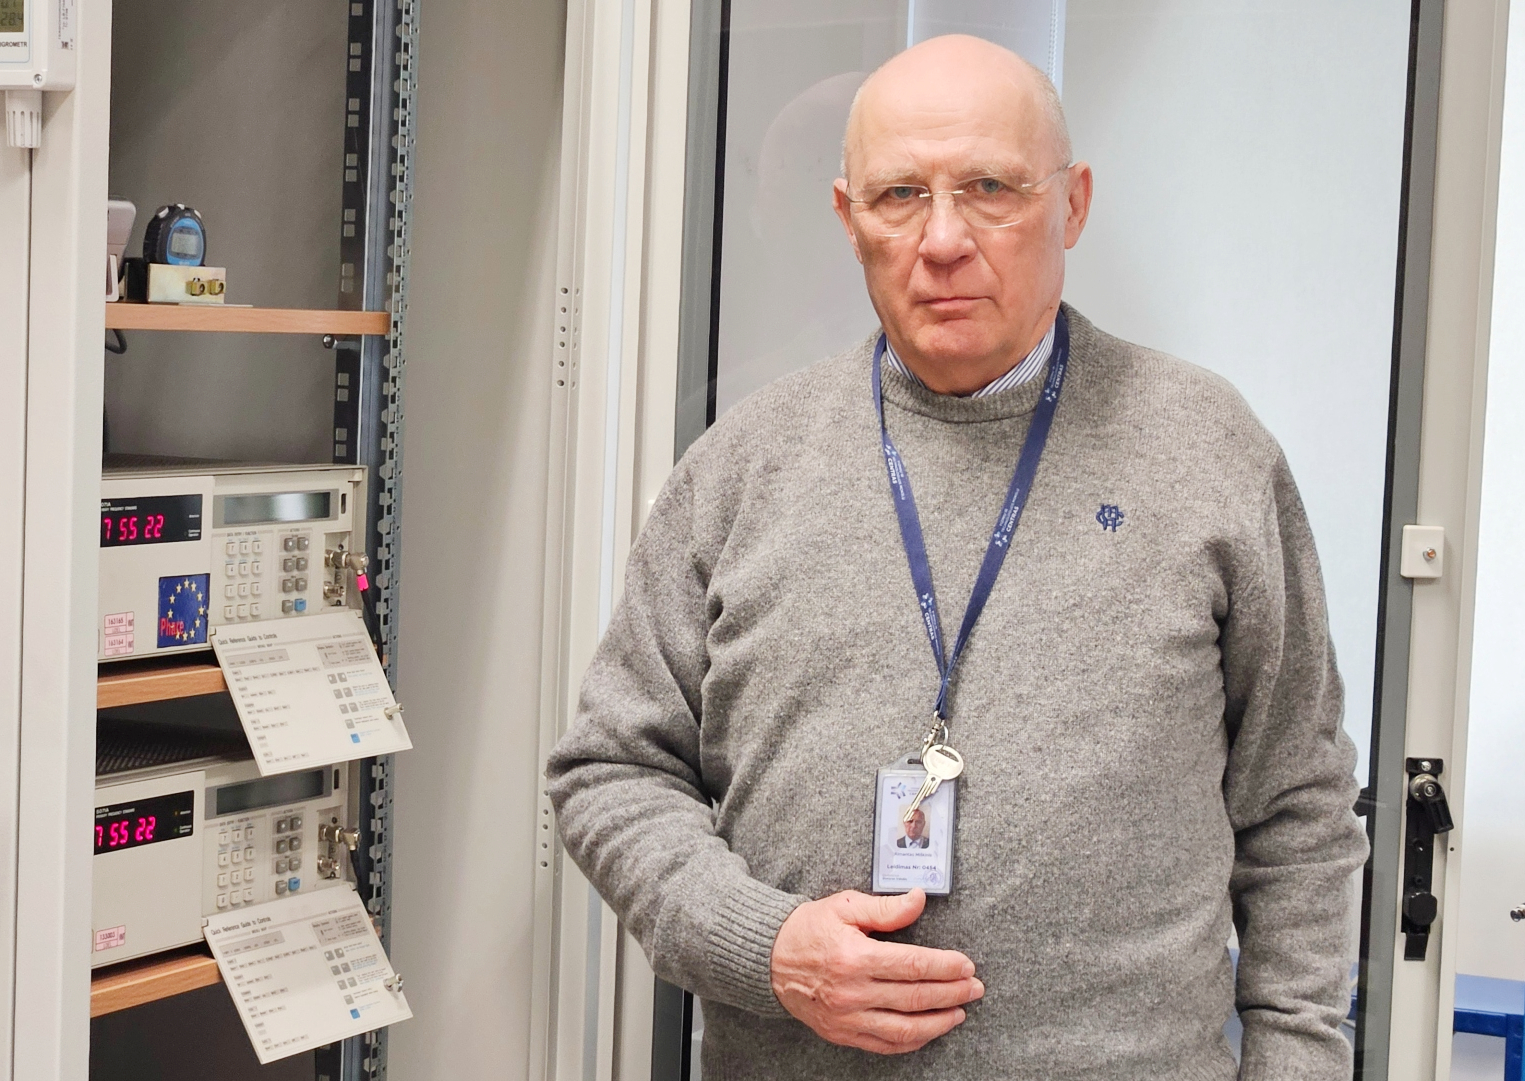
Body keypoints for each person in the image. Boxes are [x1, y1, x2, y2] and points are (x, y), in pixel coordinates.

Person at [546, 32, 1368, 1081]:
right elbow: (612, 769)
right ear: (849, 220)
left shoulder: (1208, 451)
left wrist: (1298, 1063)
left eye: (989, 189)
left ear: (1072, 204)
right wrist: (765, 945)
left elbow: (1297, 802)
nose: (941, 239)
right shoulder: (741, 467)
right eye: (900, 195)